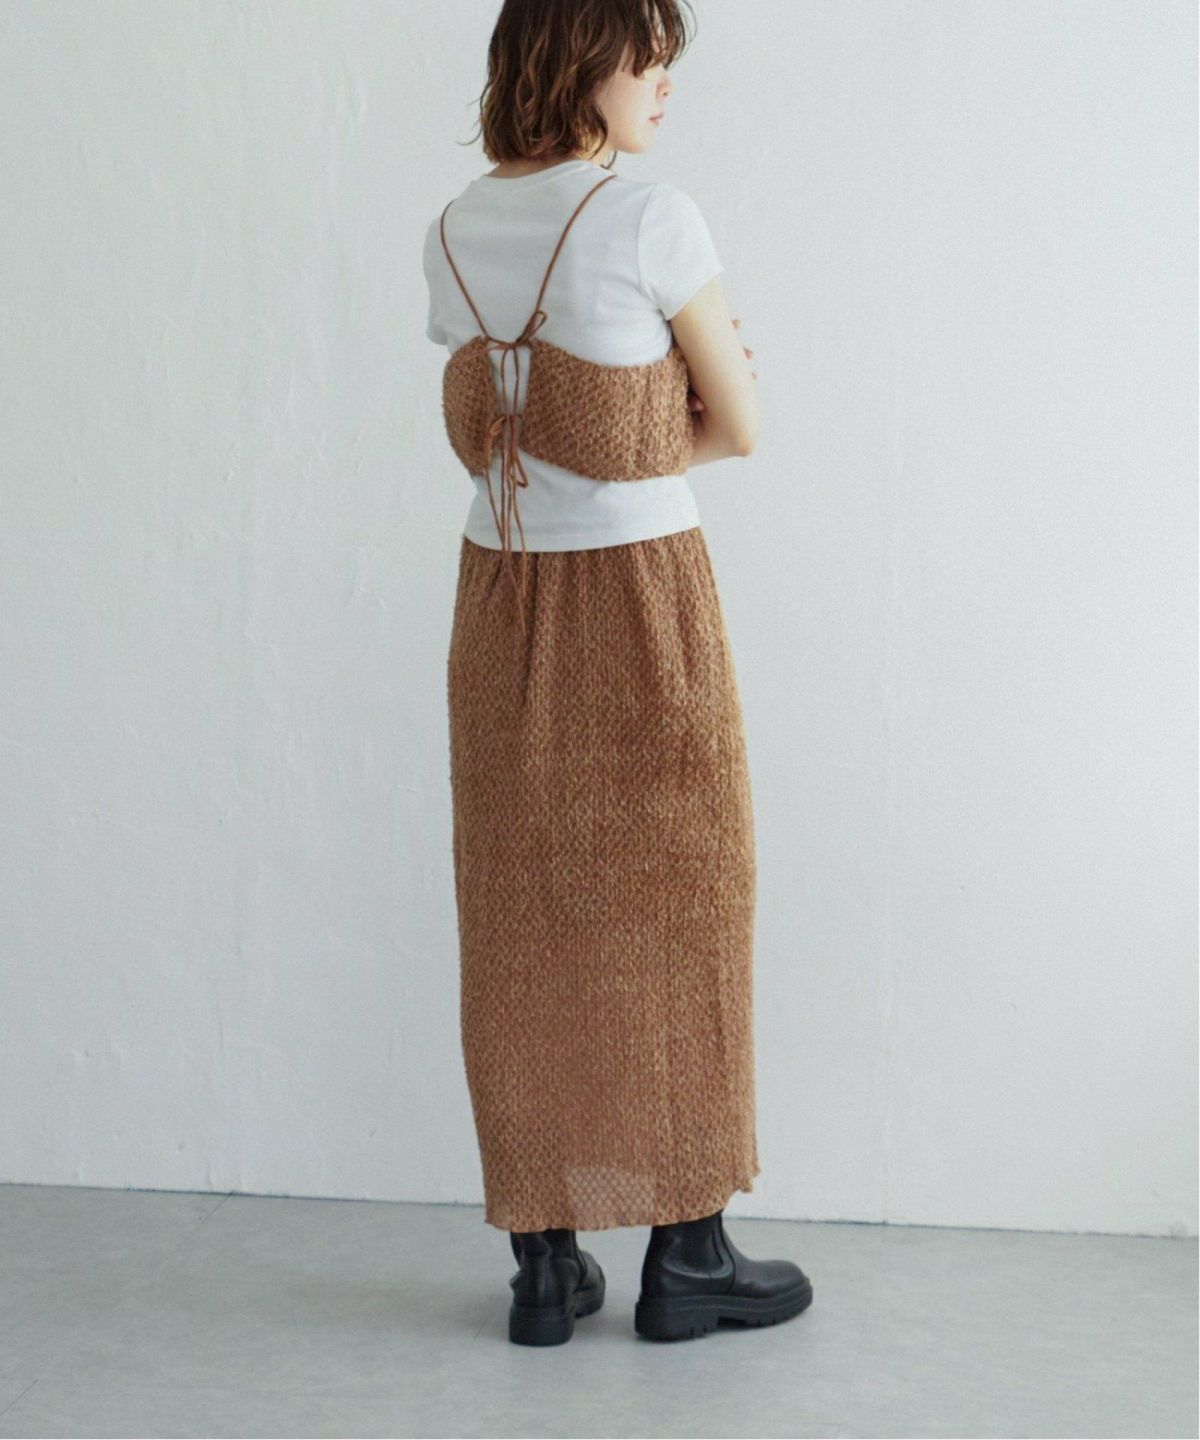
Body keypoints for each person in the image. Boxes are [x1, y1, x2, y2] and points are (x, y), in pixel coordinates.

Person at [422, 0, 812, 1346]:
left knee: (521, 914)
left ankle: (544, 1266)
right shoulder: (651, 220)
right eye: (648, 58)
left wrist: (606, 426)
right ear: (583, 63)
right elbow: (740, 426)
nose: (663, 83)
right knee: (688, 903)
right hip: (644, 602)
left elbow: (505, 426)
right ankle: (688, 1253)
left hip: (499, 604)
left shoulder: (453, 229)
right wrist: (661, 426)